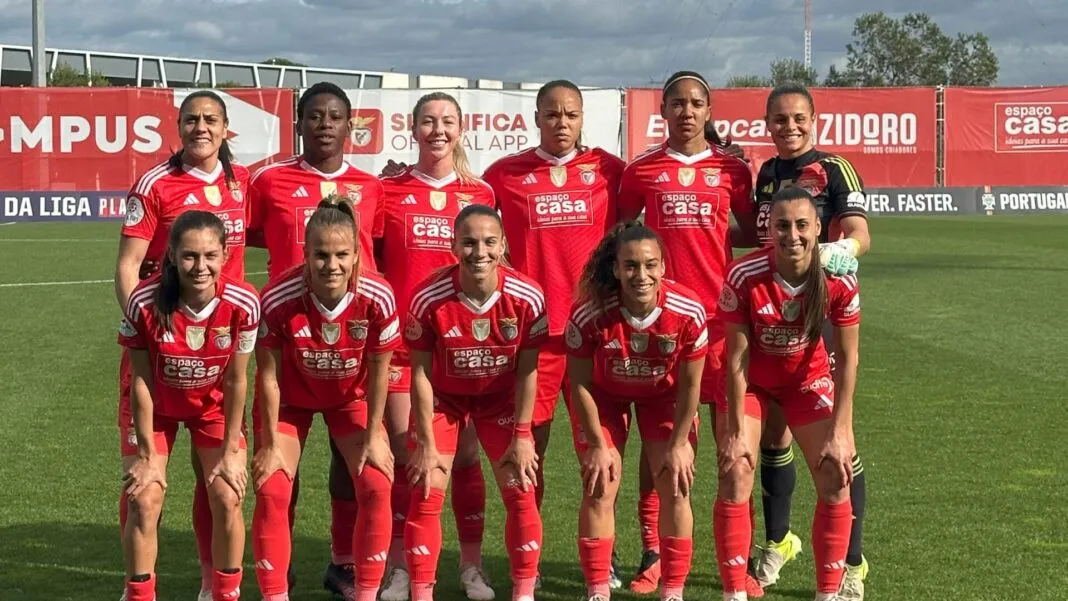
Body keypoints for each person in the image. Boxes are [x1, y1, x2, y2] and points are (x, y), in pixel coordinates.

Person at [617, 70, 758, 595]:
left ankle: (734, 564)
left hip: (722, 328)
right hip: (659, 326)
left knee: (731, 447)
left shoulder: (732, 169)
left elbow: (747, 228)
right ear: (664, 110)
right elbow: (624, 233)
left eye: (696, 103)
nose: (687, 112)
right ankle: (653, 552)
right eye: (677, 103)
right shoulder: (642, 171)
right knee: (662, 450)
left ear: (709, 109)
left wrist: (715, 224)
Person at [480, 78, 627, 579]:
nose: (561, 123)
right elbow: (469, 212)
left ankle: (600, 561)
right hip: (534, 341)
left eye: (570, 114)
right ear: (536, 118)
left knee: (600, 452)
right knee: (527, 457)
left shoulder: (610, 171)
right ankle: (530, 558)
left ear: (583, 118)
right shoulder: (504, 175)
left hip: (594, 337)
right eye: (551, 114)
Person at [247, 81, 386, 598]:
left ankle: (345, 564)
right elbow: (237, 233)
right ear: (299, 123)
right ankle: (277, 570)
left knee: (361, 469)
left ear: (351, 127)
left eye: (335, 117)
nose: (325, 124)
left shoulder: (373, 187)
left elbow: (381, 248)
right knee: (281, 473)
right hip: (290, 340)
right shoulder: (269, 181)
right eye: (314, 116)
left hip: (352, 347)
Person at [115, 90, 249, 601]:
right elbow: (128, 265)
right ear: (178, 126)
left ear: (225, 127)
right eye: (191, 120)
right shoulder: (155, 183)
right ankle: (138, 588)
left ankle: (213, 583)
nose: (201, 128)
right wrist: (148, 326)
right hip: (165, 348)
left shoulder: (243, 182)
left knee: (219, 484)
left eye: (210, 120)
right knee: (144, 490)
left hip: (221, 353)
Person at [374, 92, 497, 601]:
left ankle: (472, 567)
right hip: (406, 349)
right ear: (413, 127)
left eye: (447, 121)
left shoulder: (481, 191)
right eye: (428, 121)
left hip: (468, 349)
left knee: (466, 458)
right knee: (413, 455)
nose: (438, 130)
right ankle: (401, 568)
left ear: (461, 128)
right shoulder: (388, 189)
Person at [748, 83, 869, 601]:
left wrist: (839, 250)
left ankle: (851, 564)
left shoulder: (835, 168)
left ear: (813, 119)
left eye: (797, 118)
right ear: (768, 123)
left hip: (820, 313)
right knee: (773, 433)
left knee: (838, 447)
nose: (788, 127)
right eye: (778, 119)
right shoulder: (768, 173)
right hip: (772, 312)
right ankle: (780, 542)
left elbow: (862, 233)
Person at [714, 187, 859, 601]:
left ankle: (828, 593)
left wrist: (841, 430)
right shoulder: (745, 275)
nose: (791, 235)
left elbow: (848, 360)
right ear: (769, 230)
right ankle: (733, 594)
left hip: (805, 381)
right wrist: (737, 431)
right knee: (736, 467)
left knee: (834, 469)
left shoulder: (838, 277)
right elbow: (737, 360)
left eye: (800, 225)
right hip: (753, 383)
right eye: (781, 225)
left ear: (818, 228)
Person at [403, 204, 547, 601]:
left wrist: (522, 435)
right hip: (445, 401)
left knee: (521, 488)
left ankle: (523, 592)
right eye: (468, 242)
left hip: (499, 402)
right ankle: (421, 592)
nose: (478, 252)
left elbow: (527, 371)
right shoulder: (427, 298)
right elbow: (420, 373)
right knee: (427, 488)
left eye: (488, 242)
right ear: (453, 246)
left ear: (502, 245)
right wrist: (427, 442)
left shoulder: (528, 298)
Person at [565, 221, 706, 601]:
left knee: (675, 484)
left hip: (665, 398)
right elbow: (578, 383)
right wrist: (597, 442)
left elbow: (692, 385)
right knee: (599, 484)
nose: (640, 275)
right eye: (630, 266)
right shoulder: (590, 314)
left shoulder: (689, 311)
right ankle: (598, 589)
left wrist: (679, 443)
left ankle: (672, 589)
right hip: (604, 397)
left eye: (649, 265)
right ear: (615, 268)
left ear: (663, 267)